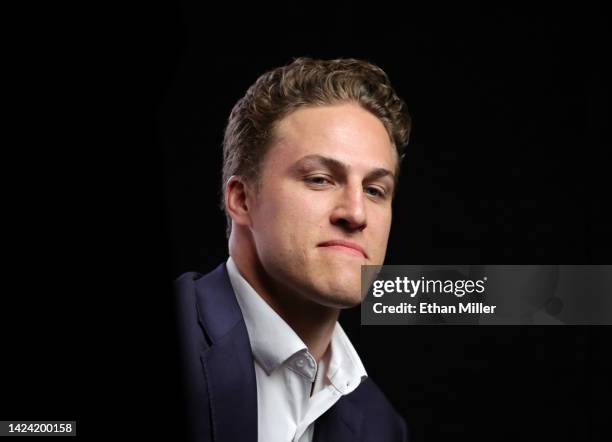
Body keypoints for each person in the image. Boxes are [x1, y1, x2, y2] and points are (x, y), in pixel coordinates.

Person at [174, 57, 412, 442]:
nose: (356, 213)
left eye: (374, 190)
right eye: (320, 179)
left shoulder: (381, 427)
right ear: (242, 199)